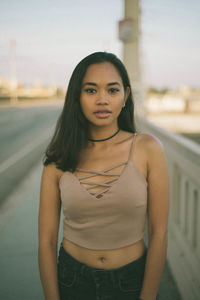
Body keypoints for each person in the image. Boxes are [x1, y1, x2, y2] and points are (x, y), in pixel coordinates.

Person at [38, 51, 169, 300]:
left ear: (125, 96)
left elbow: (159, 231)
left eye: (112, 90)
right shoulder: (59, 158)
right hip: (72, 280)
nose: (102, 100)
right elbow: (46, 241)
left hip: (131, 281)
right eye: (90, 90)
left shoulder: (148, 149)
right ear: (77, 96)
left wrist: (148, 296)